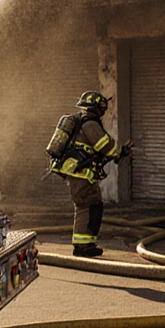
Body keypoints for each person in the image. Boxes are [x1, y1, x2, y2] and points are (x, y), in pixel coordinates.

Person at [51, 90, 131, 257]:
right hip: (82, 175)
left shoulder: (81, 121)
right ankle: (84, 246)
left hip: (78, 174)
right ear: (98, 108)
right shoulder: (90, 124)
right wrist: (120, 151)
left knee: (85, 207)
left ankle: (84, 244)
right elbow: (105, 145)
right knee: (90, 207)